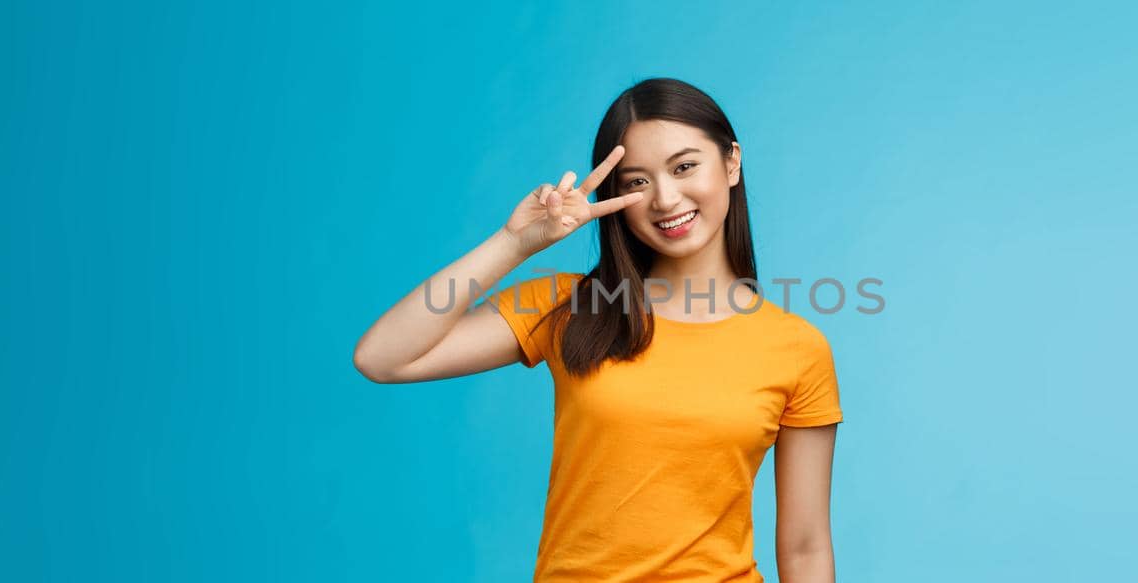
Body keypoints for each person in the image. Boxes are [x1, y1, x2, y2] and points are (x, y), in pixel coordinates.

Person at [353, 78, 842, 582]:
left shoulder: (797, 349)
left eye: (684, 167)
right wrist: (513, 244)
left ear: (731, 162)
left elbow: (805, 548)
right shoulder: (568, 305)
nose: (666, 199)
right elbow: (384, 357)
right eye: (636, 182)